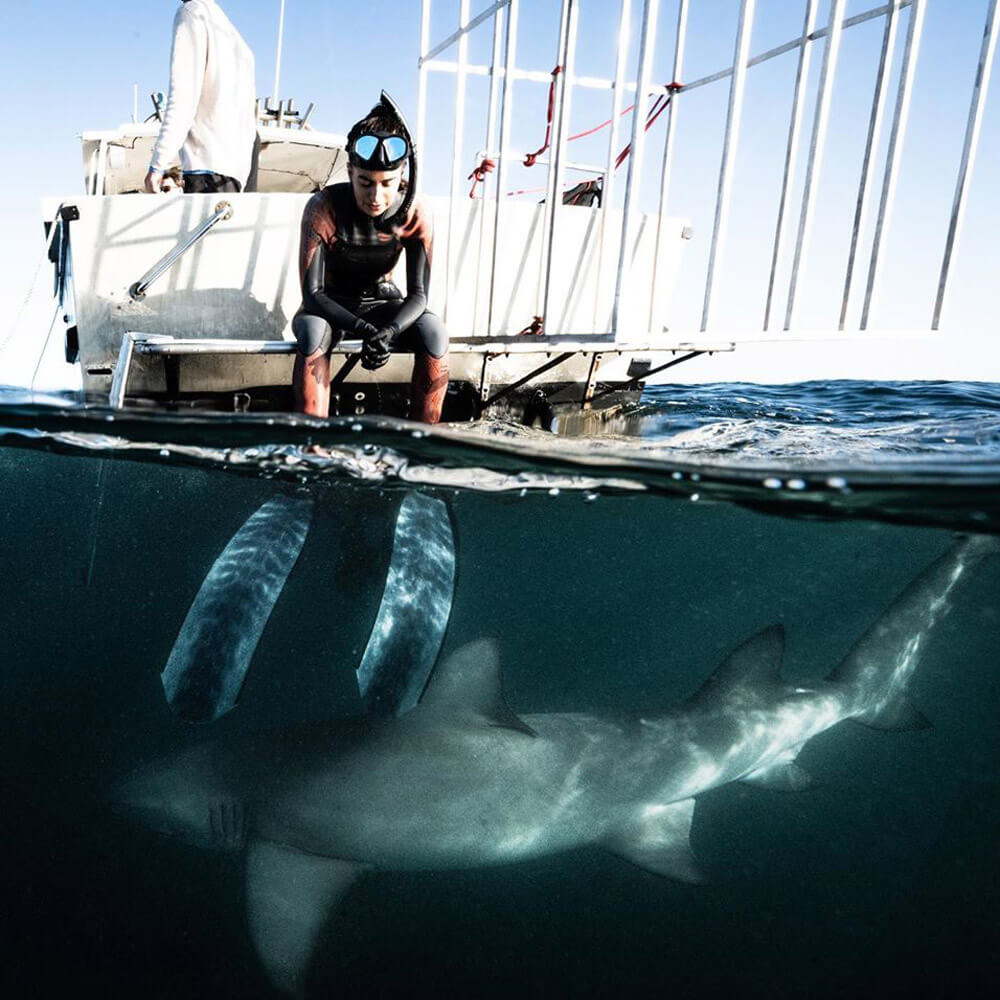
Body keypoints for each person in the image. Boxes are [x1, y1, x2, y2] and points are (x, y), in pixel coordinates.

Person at [292, 97, 450, 423]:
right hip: (329, 307)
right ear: (350, 172)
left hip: (383, 305)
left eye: (387, 185)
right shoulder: (323, 207)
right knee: (311, 332)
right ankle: (312, 446)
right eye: (364, 183)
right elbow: (313, 295)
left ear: (402, 175)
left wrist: (389, 331)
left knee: (435, 331)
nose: (375, 197)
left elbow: (419, 295)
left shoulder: (416, 212)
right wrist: (363, 329)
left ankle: (423, 442)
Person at [144, 0, 257, 195]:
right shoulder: (234, 38)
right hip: (236, 175)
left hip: (205, 170)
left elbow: (183, 98)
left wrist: (158, 165)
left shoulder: (191, 12)